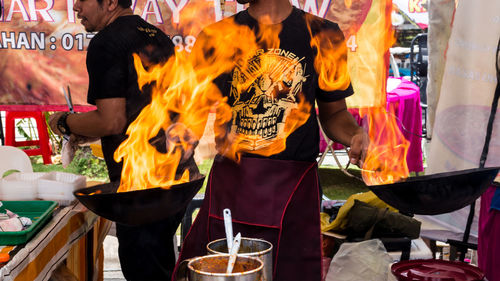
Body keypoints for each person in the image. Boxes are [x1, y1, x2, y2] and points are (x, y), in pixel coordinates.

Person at [173, 0, 368, 280]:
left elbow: (334, 112)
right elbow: (192, 117)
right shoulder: (216, 37)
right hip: (232, 186)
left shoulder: (324, 35)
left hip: (294, 191)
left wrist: (355, 135)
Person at [47, 0, 181, 279]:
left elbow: (111, 120)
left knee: (144, 270)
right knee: (161, 266)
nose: (75, 8)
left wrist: (63, 122)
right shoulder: (159, 37)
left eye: (82, 1)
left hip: (139, 187)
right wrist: (87, 130)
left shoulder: (106, 43)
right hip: (172, 176)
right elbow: (136, 112)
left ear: (108, 3)